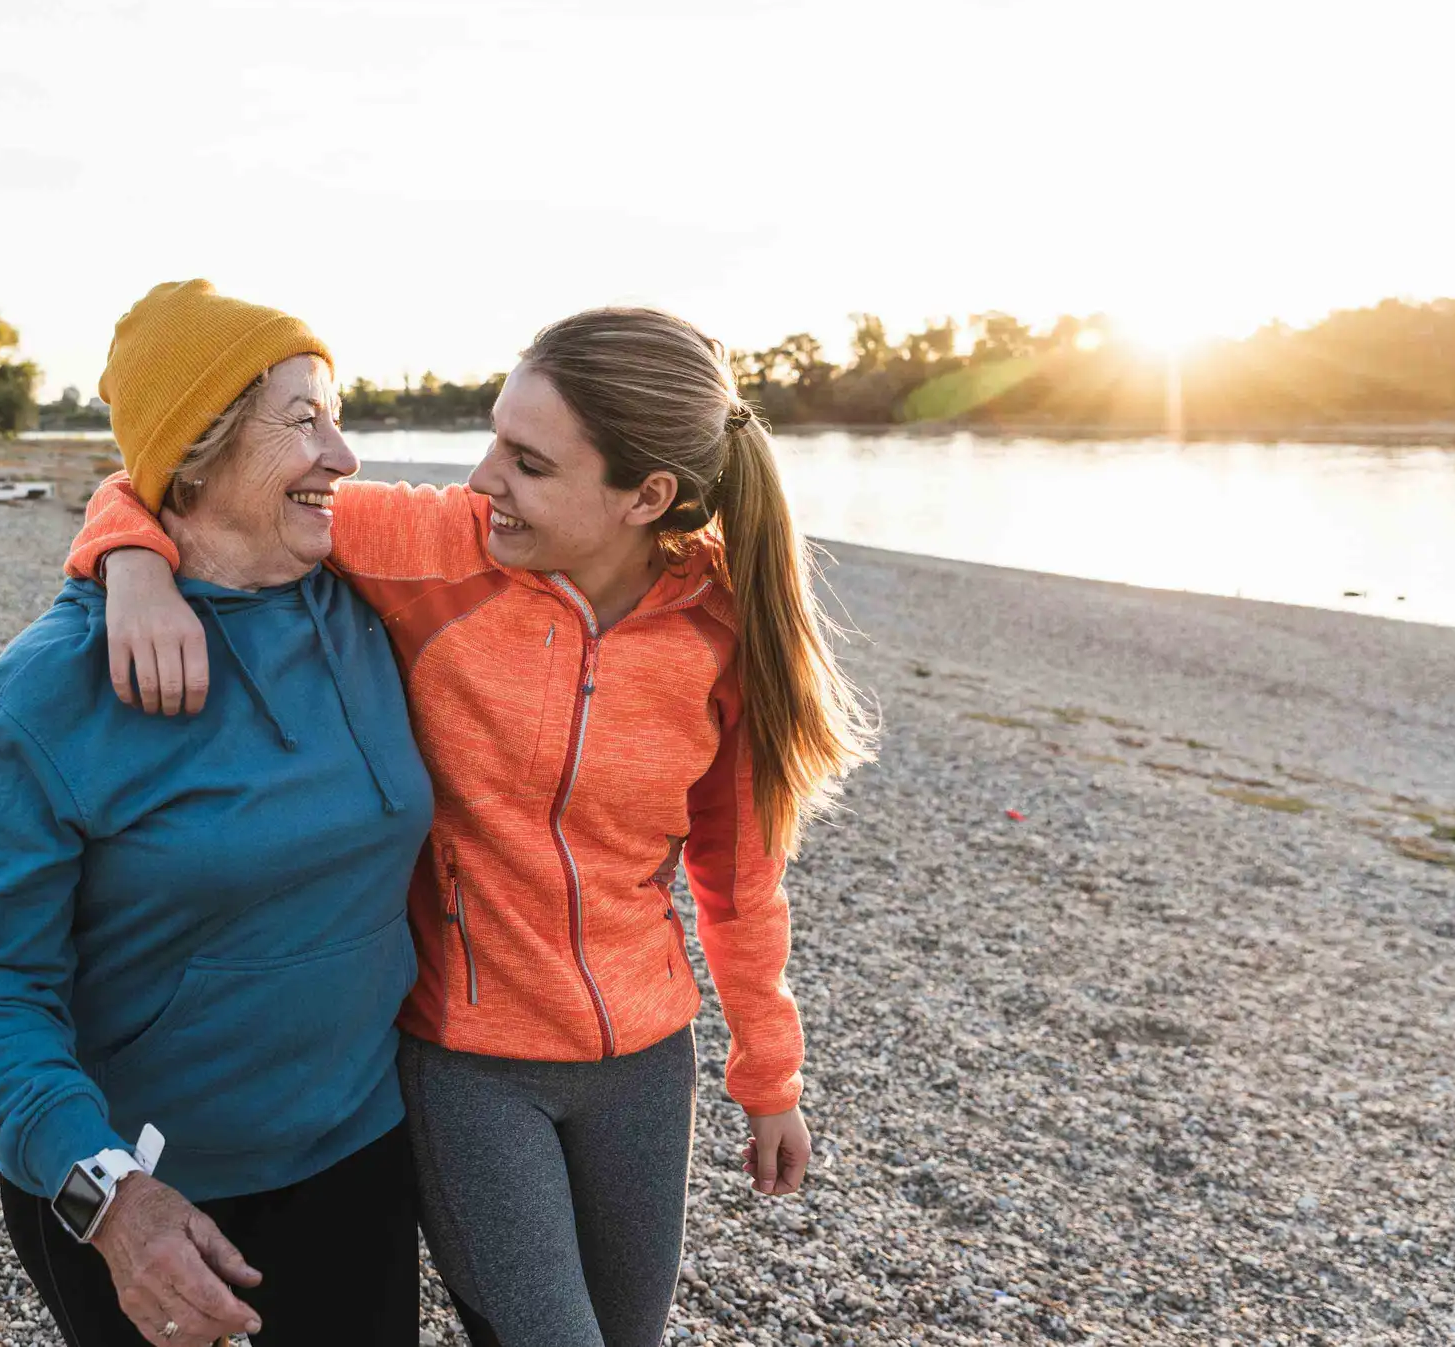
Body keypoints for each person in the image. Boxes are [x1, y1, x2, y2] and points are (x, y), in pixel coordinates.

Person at [71, 305, 876, 1347]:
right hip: (468, 1059)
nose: (484, 475)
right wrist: (129, 564)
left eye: (529, 461)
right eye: (494, 435)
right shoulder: (435, 546)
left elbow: (737, 872)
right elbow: (189, 488)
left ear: (648, 496)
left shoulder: (720, 623)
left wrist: (770, 1075)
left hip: (642, 1062)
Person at [0, 281, 433, 1347]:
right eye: (303, 419)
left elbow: (567, 523)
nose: (342, 454)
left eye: (336, 416)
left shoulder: (376, 598)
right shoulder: (38, 703)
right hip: (156, 1187)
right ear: (196, 454)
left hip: (361, 1155)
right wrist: (106, 1201)